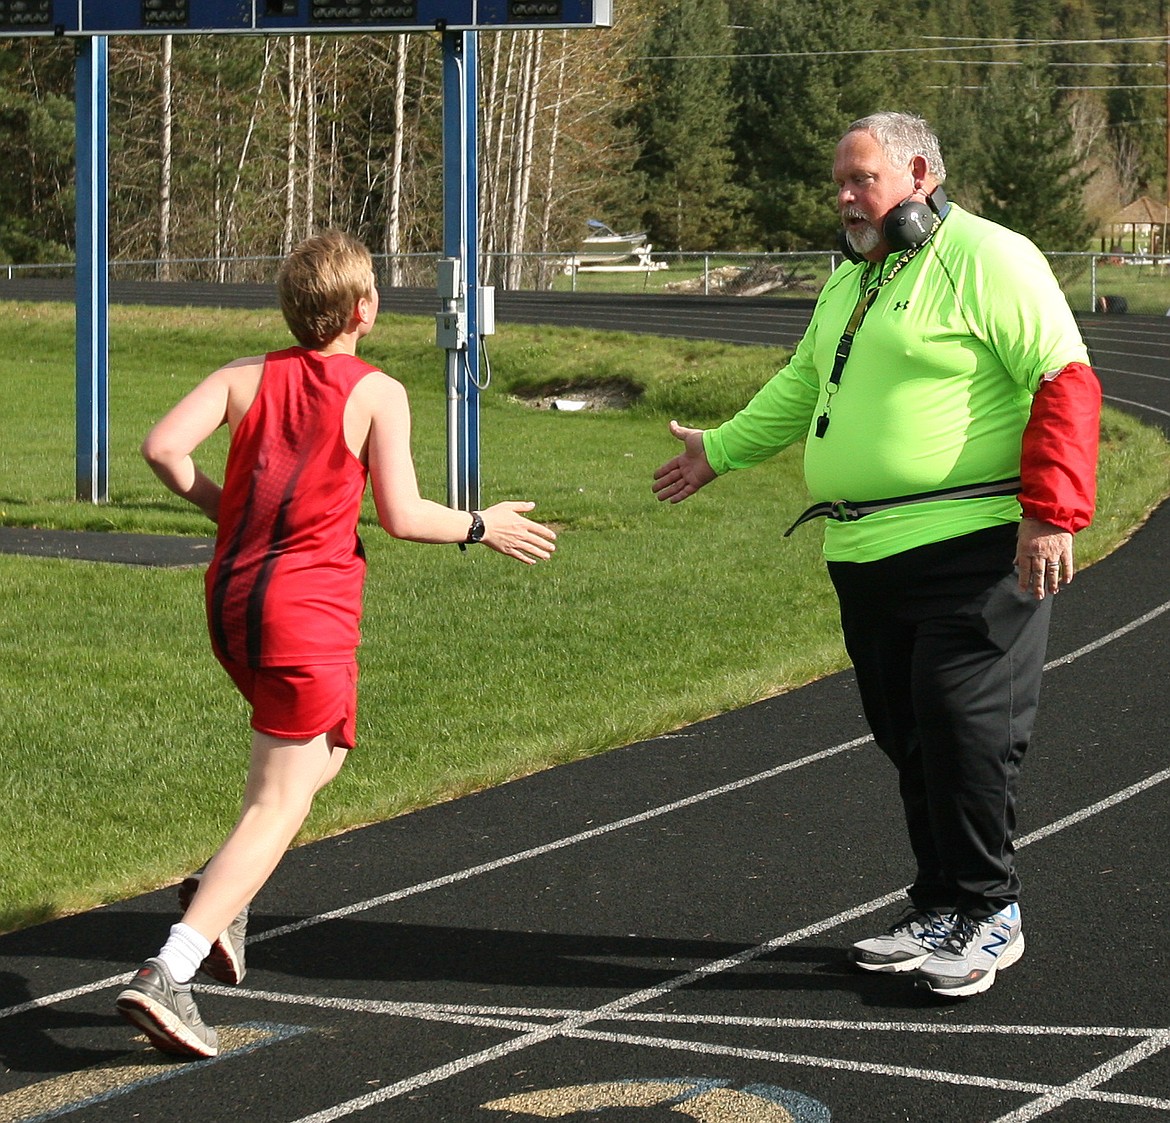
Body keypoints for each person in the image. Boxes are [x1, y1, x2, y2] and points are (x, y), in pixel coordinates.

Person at [652, 112, 1100, 999]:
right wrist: (722, 449)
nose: (846, 199)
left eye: (861, 180)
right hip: (864, 551)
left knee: (962, 725)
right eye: (840, 184)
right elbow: (804, 384)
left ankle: (990, 910)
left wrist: (1053, 512)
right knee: (908, 732)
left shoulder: (990, 257)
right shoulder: (851, 277)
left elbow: (1064, 377)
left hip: (971, 546)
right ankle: (939, 901)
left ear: (921, 172)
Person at [115, 230, 557, 1058]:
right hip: (302, 608)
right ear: (366, 309)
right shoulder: (378, 390)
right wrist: (481, 524)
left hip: (233, 598)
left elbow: (161, 448)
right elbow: (402, 514)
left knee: (323, 755)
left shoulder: (243, 376)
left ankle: (219, 892)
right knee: (278, 798)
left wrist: (230, 511)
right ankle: (168, 970)